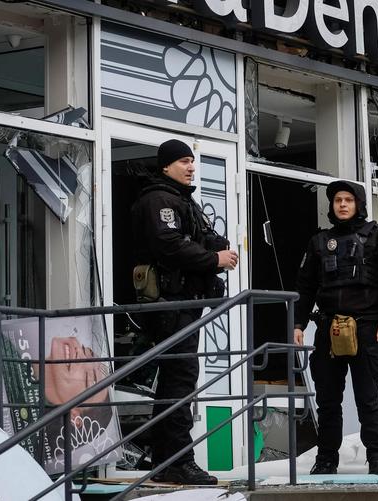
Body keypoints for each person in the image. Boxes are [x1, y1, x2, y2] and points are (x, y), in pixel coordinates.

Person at [130, 139, 238, 485]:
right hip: (170, 304)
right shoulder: (159, 199)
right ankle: (177, 460)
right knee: (179, 379)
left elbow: (194, 239)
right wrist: (213, 259)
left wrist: (216, 248)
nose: (191, 167)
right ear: (165, 167)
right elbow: (170, 245)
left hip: (184, 304)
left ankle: (166, 459)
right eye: (183, 162)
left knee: (178, 380)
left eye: (193, 161)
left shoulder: (180, 199)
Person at [293, 180, 378, 477]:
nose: (342, 205)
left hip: (367, 327)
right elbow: (305, 286)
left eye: (348, 200)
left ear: (359, 204)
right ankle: (326, 459)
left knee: (367, 398)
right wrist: (297, 322)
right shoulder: (319, 241)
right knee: (328, 400)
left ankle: (377, 460)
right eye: (337, 200)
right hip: (330, 327)